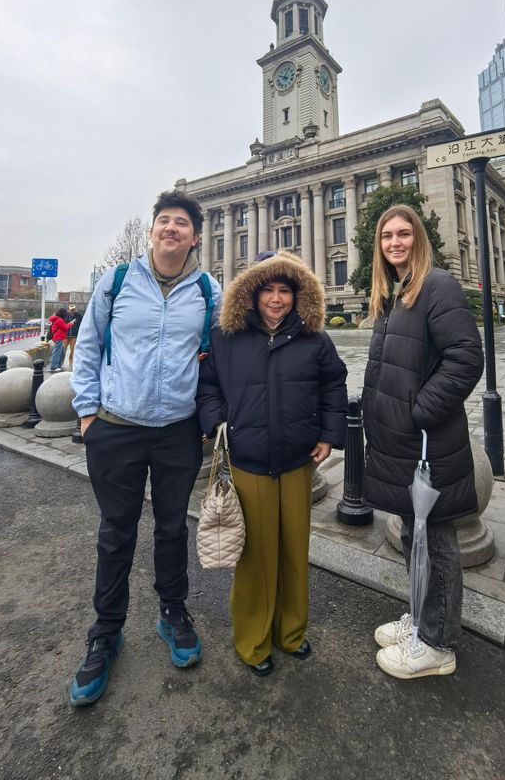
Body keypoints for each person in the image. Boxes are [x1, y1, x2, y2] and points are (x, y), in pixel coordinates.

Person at [68, 190, 222, 707]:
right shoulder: (117, 282)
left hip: (178, 430)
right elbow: (88, 344)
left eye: (182, 222)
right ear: (152, 231)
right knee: (116, 532)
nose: (171, 229)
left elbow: (227, 349)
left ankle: (172, 612)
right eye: (164, 221)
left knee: (174, 526)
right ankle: (106, 632)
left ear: (195, 236)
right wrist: (88, 414)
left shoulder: (207, 290)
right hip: (115, 427)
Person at [197, 251, 347, 677]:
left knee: (295, 551)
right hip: (248, 460)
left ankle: (291, 632)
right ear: (252, 293)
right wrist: (218, 423)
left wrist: (328, 434)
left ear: (297, 296)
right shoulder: (225, 336)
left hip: (297, 461)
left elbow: (333, 383)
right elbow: (207, 387)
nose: (277, 299)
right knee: (256, 556)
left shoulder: (314, 338)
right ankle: (253, 640)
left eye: (285, 290)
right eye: (269, 290)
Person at [360, 205, 484, 680]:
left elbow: (466, 358)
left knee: (436, 538)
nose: (395, 242)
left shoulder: (437, 285)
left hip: (427, 442)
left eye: (404, 234)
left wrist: (418, 412)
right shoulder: (394, 293)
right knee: (416, 537)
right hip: (404, 443)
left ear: (419, 238)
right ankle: (423, 618)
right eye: (387, 235)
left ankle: (438, 643)